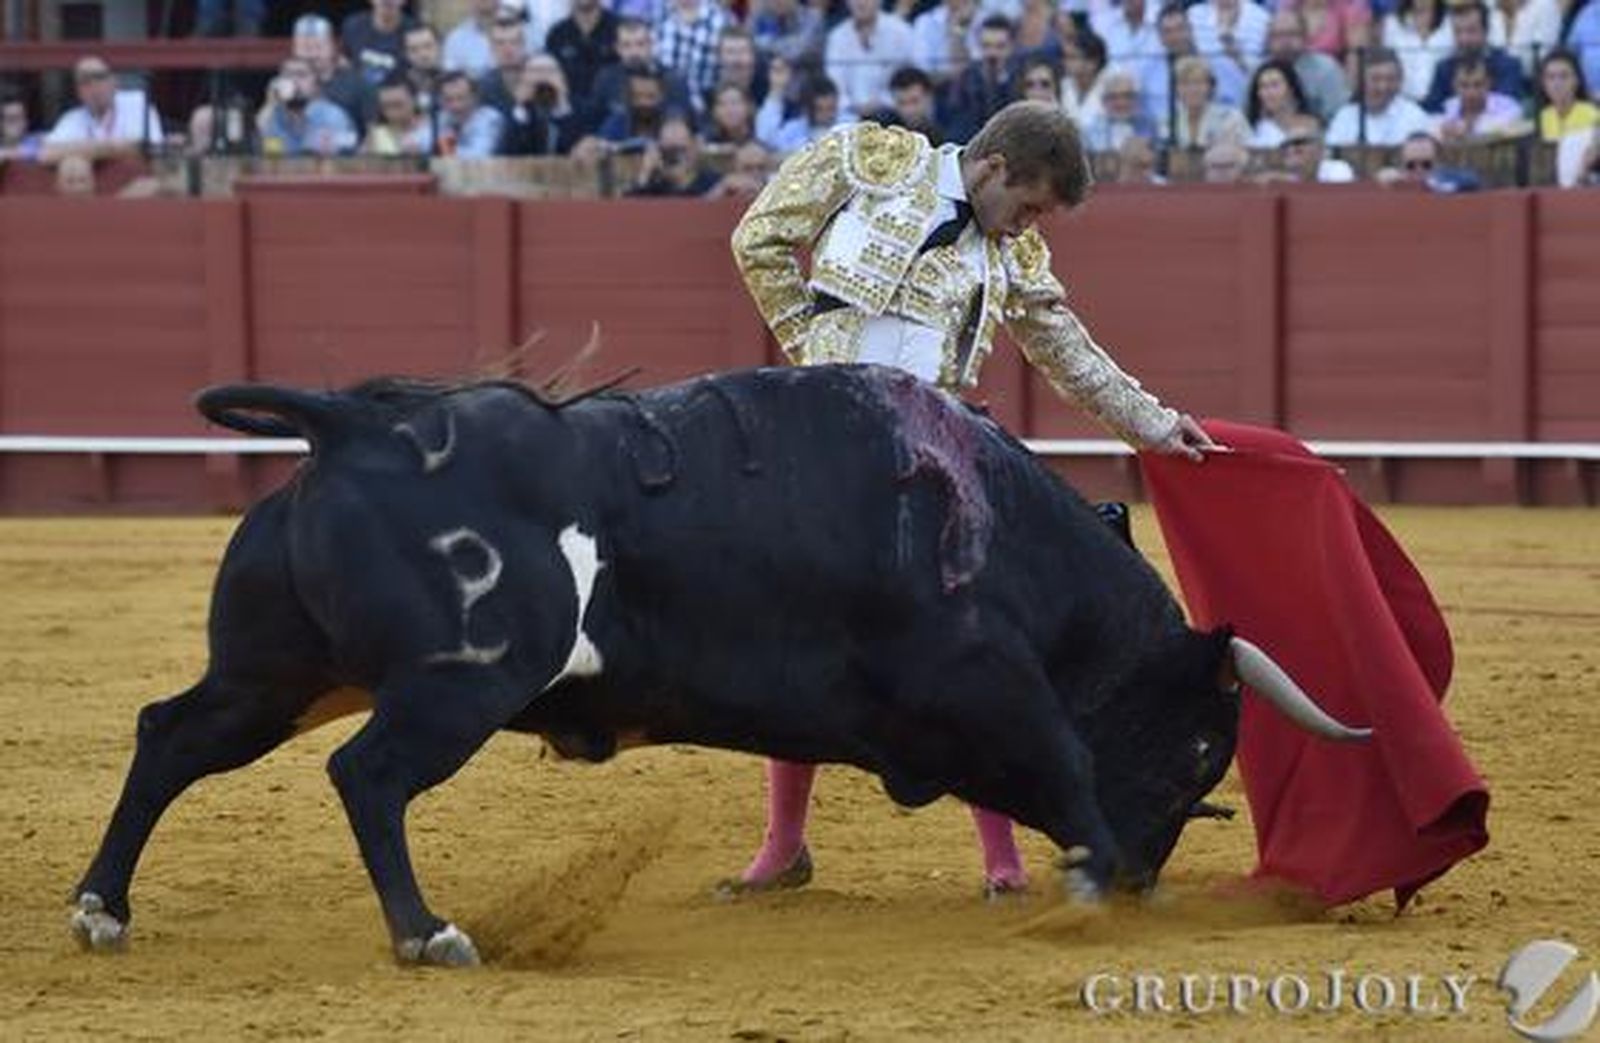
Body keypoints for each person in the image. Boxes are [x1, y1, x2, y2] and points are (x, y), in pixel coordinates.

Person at [727, 101, 1214, 898]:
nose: (1027, 227)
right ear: (992, 167)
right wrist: (812, 352)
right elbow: (761, 239)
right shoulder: (872, 162)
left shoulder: (1013, 257)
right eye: (1026, 206)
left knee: (972, 649)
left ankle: (1002, 860)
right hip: (825, 451)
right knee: (806, 638)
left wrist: (1157, 428)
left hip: (930, 464)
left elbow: (1070, 353)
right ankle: (784, 846)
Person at [1536, 49, 1598, 143]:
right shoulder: (1542, 117)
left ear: (1577, 81)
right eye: (1551, 77)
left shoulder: (1593, 116)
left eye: (1564, 76)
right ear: (1543, 83)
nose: (1557, 84)